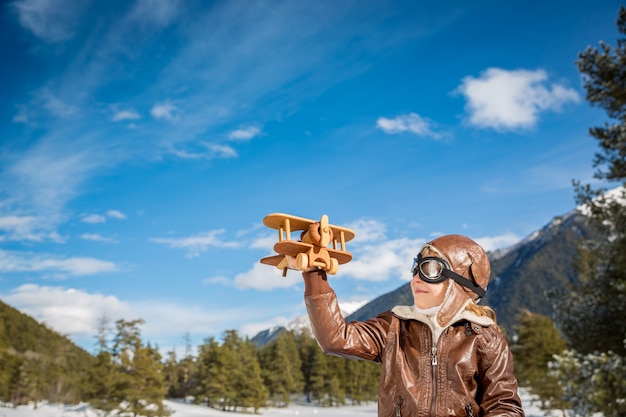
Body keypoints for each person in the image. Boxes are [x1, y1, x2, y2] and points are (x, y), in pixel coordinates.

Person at [295, 234, 525, 417]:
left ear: (461, 282)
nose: (416, 278)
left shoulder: (484, 337)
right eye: (416, 268)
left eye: (431, 269)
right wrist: (315, 275)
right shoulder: (394, 326)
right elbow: (335, 338)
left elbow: (503, 405)